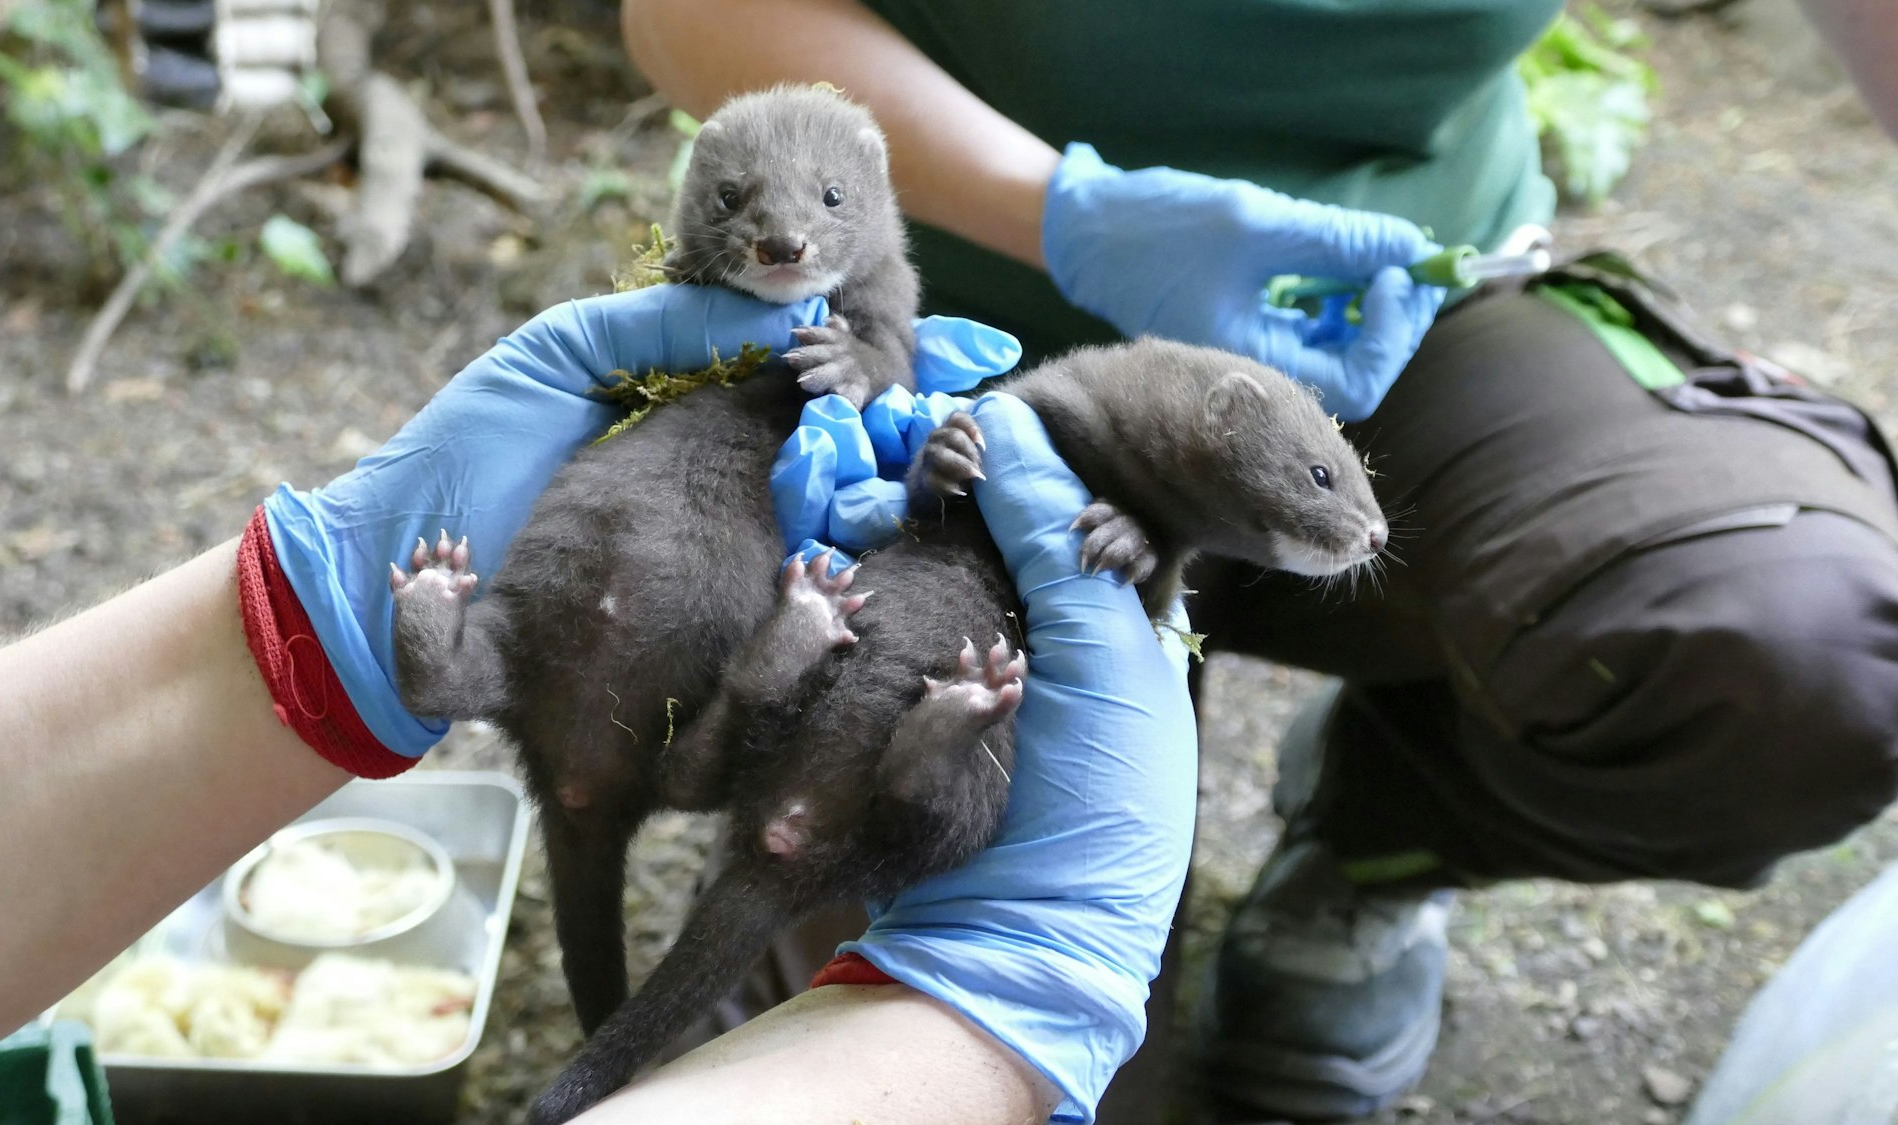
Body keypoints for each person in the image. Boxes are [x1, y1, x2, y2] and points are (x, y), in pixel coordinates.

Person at [616, 0, 1898, 1119]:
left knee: (1794, 651)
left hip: (1383, 331)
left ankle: (1379, 833)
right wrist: (1065, 213)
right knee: (976, 1029)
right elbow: (686, 15)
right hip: (952, 396)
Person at [0, 280, 1200, 1125]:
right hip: (713, 737)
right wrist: (991, 1024)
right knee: (682, 817)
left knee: (685, 807)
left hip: (699, 733)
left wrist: (283, 638)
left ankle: (459, 669)